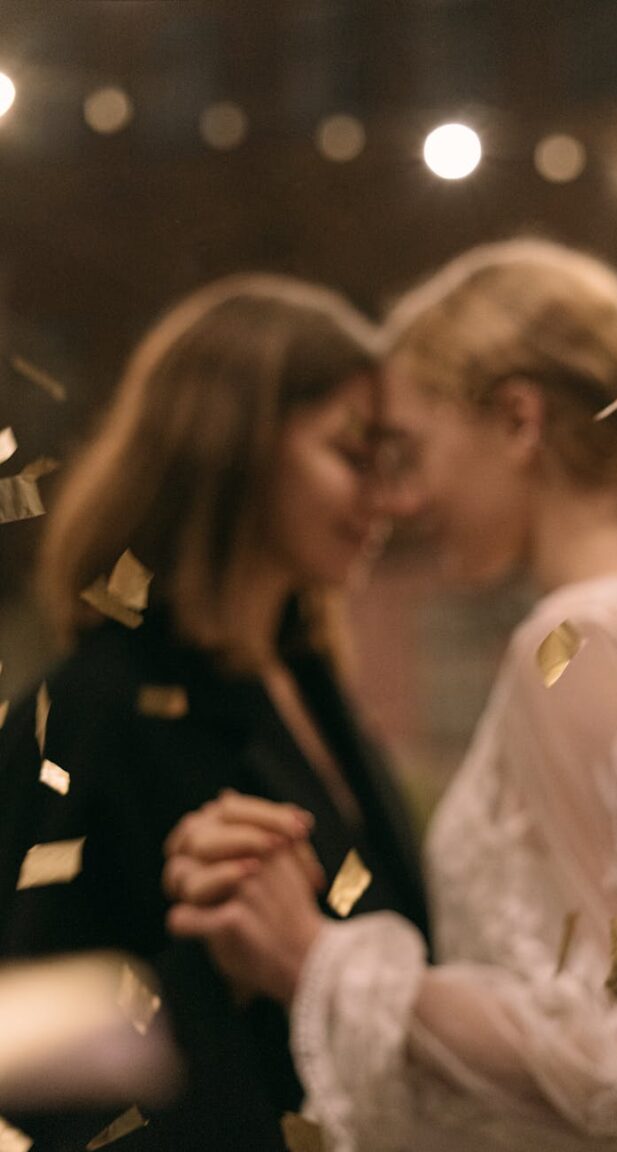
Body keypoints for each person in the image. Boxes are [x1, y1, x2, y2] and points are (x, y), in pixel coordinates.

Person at [163, 239, 617, 1152]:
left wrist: (320, 962)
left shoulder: (585, 641)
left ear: (518, 420)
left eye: (411, 451)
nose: (400, 501)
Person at [0, 274, 429, 1152]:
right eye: (354, 455)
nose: (386, 501)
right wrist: (213, 977)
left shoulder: (304, 681)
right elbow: (31, 1054)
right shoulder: (89, 713)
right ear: (233, 445)